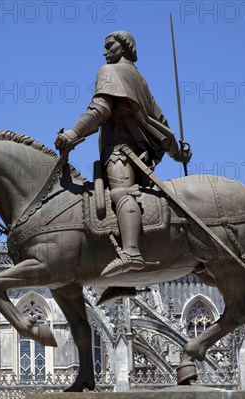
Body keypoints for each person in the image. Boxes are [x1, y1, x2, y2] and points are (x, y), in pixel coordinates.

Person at [55, 31, 191, 281]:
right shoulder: (139, 78)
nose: (104, 52)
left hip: (120, 153)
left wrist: (73, 133)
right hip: (142, 156)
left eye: (109, 46)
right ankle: (122, 282)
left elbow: (100, 109)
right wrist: (176, 153)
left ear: (125, 47)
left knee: (121, 194)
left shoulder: (110, 72)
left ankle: (131, 253)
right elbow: (159, 121)